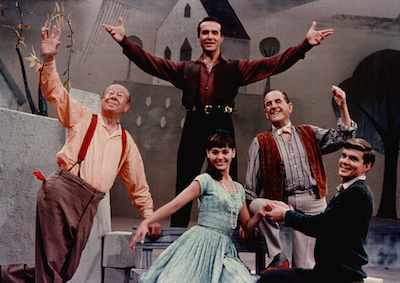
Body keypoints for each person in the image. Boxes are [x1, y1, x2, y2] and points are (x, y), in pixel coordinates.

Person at [102, 16, 334, 228]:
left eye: (214, 32)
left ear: (221, 37)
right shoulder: (186, 69)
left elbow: (272, 63)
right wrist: (124, 42)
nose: (210, 36)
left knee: (227, 183)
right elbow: (151, 62)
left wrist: (304, 45)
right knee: (184, 184)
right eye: (205, 32)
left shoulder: (235, 68)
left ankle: (232, 231)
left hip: (222, 126)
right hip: (193, 125)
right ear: (199, 37)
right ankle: (178, 235)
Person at [0, 26, 161, 283]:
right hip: (62, 191)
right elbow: (54, 92)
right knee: (52, 267)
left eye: (120, 94)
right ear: (101, 99)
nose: (113, 95)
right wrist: (49, 59)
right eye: (109, 92)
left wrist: (148, 215)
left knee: (64, 269)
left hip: (91, 203)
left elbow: (138, 185)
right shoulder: (84, 117)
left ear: (127, 107)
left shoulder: (125, 141)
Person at [243, 86, 357, 271]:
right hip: (281, 203)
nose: (273, 106)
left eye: (278, 101)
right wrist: (247, 222)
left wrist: (343, 106)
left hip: (313, 203)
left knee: (304, 268)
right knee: (256, 204)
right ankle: (278, 257)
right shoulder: (260, 142)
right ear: (266, 113)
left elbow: (343, 137)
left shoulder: (309, 133)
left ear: (290, 107)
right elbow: (250, 190)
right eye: (268, 104)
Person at [131, 131, 268, 283]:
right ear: (208, 154)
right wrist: (146, 221)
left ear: (233, 153)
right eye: (215, 152)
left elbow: (247, 226)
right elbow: (175, 205)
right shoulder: (204, 180)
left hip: (223, 252)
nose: (220, 157)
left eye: (225, 152)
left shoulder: (238, 189)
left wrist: (260, 214)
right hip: (198, 246)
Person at [259, 138, 375, 283]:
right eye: (344, 156)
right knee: (271, 278)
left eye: (353, 159)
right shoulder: (350, 190)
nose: (345, 161)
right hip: (326, 273)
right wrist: (290, 210)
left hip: (341, 277)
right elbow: (326, 221)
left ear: (366, 166)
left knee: (271, 279)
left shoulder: (357, 192)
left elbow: (321, 226)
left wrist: (286, 215)